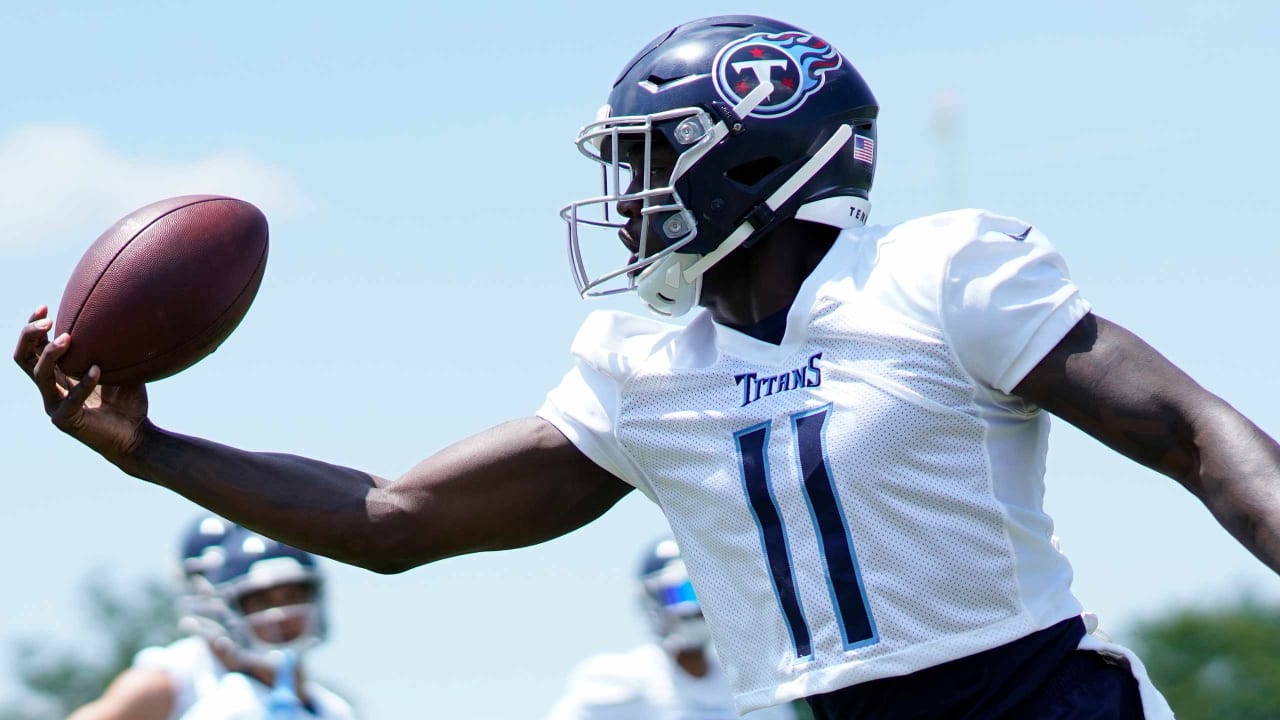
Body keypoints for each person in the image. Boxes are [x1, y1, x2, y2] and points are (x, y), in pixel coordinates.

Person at [16, 13, 1280, 719]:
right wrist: (152, 449)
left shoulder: (938, 274)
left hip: (1031, 705)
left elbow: (1187, 433)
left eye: (647, 155)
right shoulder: (641, 360)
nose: (621, 196)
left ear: (750, 156)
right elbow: (395, 520)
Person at [68, 516, 355, 719]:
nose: (277, 615)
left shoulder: (328, 705)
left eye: (292, 596)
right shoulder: (167, 683)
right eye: (259, 599)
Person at [546, 537, 796, 719]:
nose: (695, 606)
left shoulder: (754, 683)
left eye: (703, 593)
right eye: (681, 593)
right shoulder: (622, 678)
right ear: (653, 599)